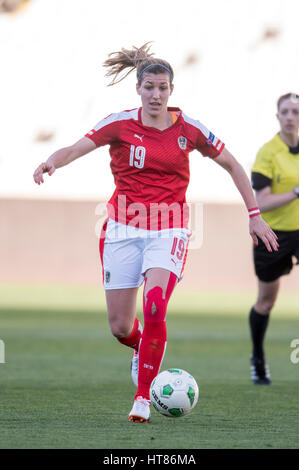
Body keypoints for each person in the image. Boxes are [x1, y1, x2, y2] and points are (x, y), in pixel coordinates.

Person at [33, 43, 278, 422]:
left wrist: (254, 214)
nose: (156, 95)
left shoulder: (189, 129)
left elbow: (231, 164)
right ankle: (140, 347)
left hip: (170, 229)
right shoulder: (119, 122)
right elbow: (76, 148)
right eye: (149, 87)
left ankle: (143, 398)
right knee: (119, 327)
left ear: (171, 91)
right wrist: (51, 161)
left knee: (155, 306)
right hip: (121, 229)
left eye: (163, 88)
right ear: (138, 89)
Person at [249, 92, 299, 385]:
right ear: (277, 116)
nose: (291, 116)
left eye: (295, 111)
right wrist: (295, 192)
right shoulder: (269, 152)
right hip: (273, 234)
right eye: (286, 112)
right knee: (266, 302)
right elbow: (261, 202)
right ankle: (258, 358)